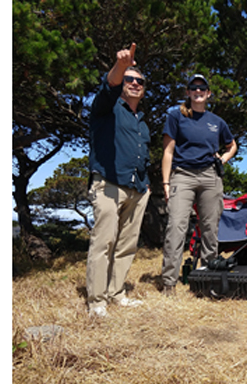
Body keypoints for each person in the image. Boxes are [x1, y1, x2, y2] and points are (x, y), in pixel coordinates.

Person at [85, 43, 151, 317]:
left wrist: (146, 186)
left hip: (137, 188)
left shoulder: (142, 123)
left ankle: (116, 294)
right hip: (109, 184)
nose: (134, 83)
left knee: (126, 244)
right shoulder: (107, 108)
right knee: (104, 242)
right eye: (129, 79)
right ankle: (97, 302)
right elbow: (107, 87)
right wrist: (120, 66)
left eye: (140, 81)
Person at [160, 74, 238, 292]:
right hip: (182, 175)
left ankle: (207, 279)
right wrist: (166, 183)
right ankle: (169, 283)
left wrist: (224, 157)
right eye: (193, 88)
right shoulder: (176, 116)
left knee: (210, 228)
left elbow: (232, 145)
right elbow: (168, 151)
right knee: (176, 226)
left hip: (210, 177)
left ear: (208, 93)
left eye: (202, 88)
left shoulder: (217, 122)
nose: (198, 91)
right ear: (188, 92)